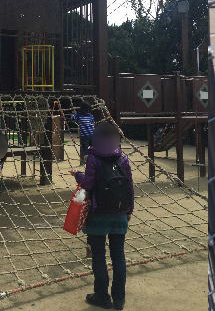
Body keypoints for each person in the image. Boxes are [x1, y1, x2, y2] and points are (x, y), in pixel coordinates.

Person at [70, 122, 134, 310]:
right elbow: (129, 187)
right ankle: (119, 299)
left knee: (98, 256)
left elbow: (88, 185)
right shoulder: (123, 158)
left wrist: (78, 175)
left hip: (98, 214)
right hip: (119, 213)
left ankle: (101, 296)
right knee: (118, 256)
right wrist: (128, 211)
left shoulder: (93, 158)